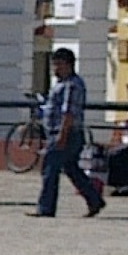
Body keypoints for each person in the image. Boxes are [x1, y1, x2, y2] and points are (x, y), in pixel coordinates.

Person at [32, 46, 104, 218]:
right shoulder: (60, 84)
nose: (55, 69)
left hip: (66, 133)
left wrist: (62, 136)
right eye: (54, 65)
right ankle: (94, 199)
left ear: (69, 65)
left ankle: (46, 208)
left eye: (59, 65)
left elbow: (68, 113)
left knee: (50, 168)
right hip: (59, 132)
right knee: (72, 169)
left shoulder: (72, 85)